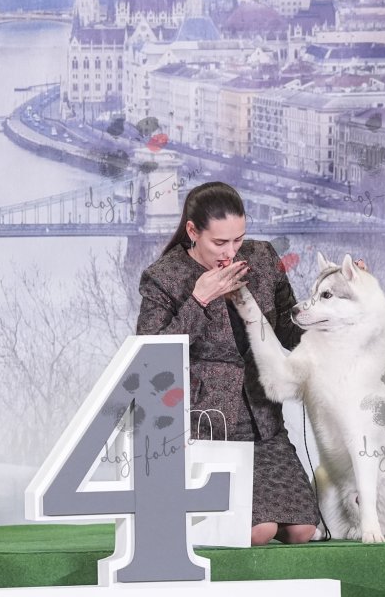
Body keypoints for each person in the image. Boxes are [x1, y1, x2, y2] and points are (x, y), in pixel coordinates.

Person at [136, 181, 319, 545]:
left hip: (265, 424)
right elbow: (151, 359)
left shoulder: (262, 258)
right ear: (193, 231)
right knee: (259, 531)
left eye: (238, 239)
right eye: (220, 242)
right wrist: (198, 300)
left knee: (303, 530)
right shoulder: (163, 278)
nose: (231, 251)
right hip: (206, 428)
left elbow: (290, 332)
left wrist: (341, 300)